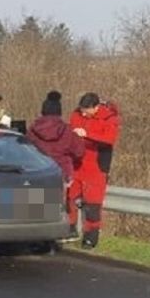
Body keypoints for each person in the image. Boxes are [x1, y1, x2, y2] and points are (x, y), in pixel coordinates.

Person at [27, 91, 84, 239]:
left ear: (42, 111)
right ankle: (62, 232)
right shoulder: (67, 130)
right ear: (59, 112)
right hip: (61, 172)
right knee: (60, 205)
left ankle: (36, 235)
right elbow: (79, 151)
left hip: (37, 171)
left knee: (35, 206)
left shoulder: (32, 130)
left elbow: (25, 150)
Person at [69, 92, 120, 249]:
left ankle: (90, 238)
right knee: (69, 197)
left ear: (96, 107)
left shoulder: (109, 118)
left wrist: (87, 134)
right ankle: (68, 230)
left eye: (87, 110)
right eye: (82, 110)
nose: (83, 113)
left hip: (96, 166)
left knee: (93, 204)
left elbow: (109, 139)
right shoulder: (76, 115)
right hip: (77, 163)